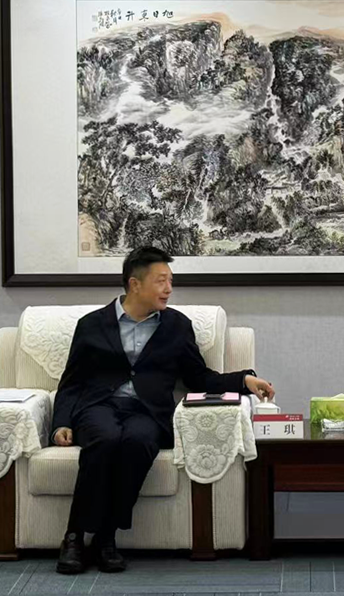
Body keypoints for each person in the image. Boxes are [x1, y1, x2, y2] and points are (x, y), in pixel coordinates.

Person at [50, 246, 275, 574]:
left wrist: (244, 380)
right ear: (135, 284)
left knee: (138, 442)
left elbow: (199, 378)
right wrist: (61, 423)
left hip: (147, 412)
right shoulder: (92, 324)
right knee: (105, 439)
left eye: (170, 281)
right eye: (160, 281)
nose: (169, 288)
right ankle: (73, 537)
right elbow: (71, 382)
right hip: (98, 407)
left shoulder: (177, 326)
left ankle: (105, 538)